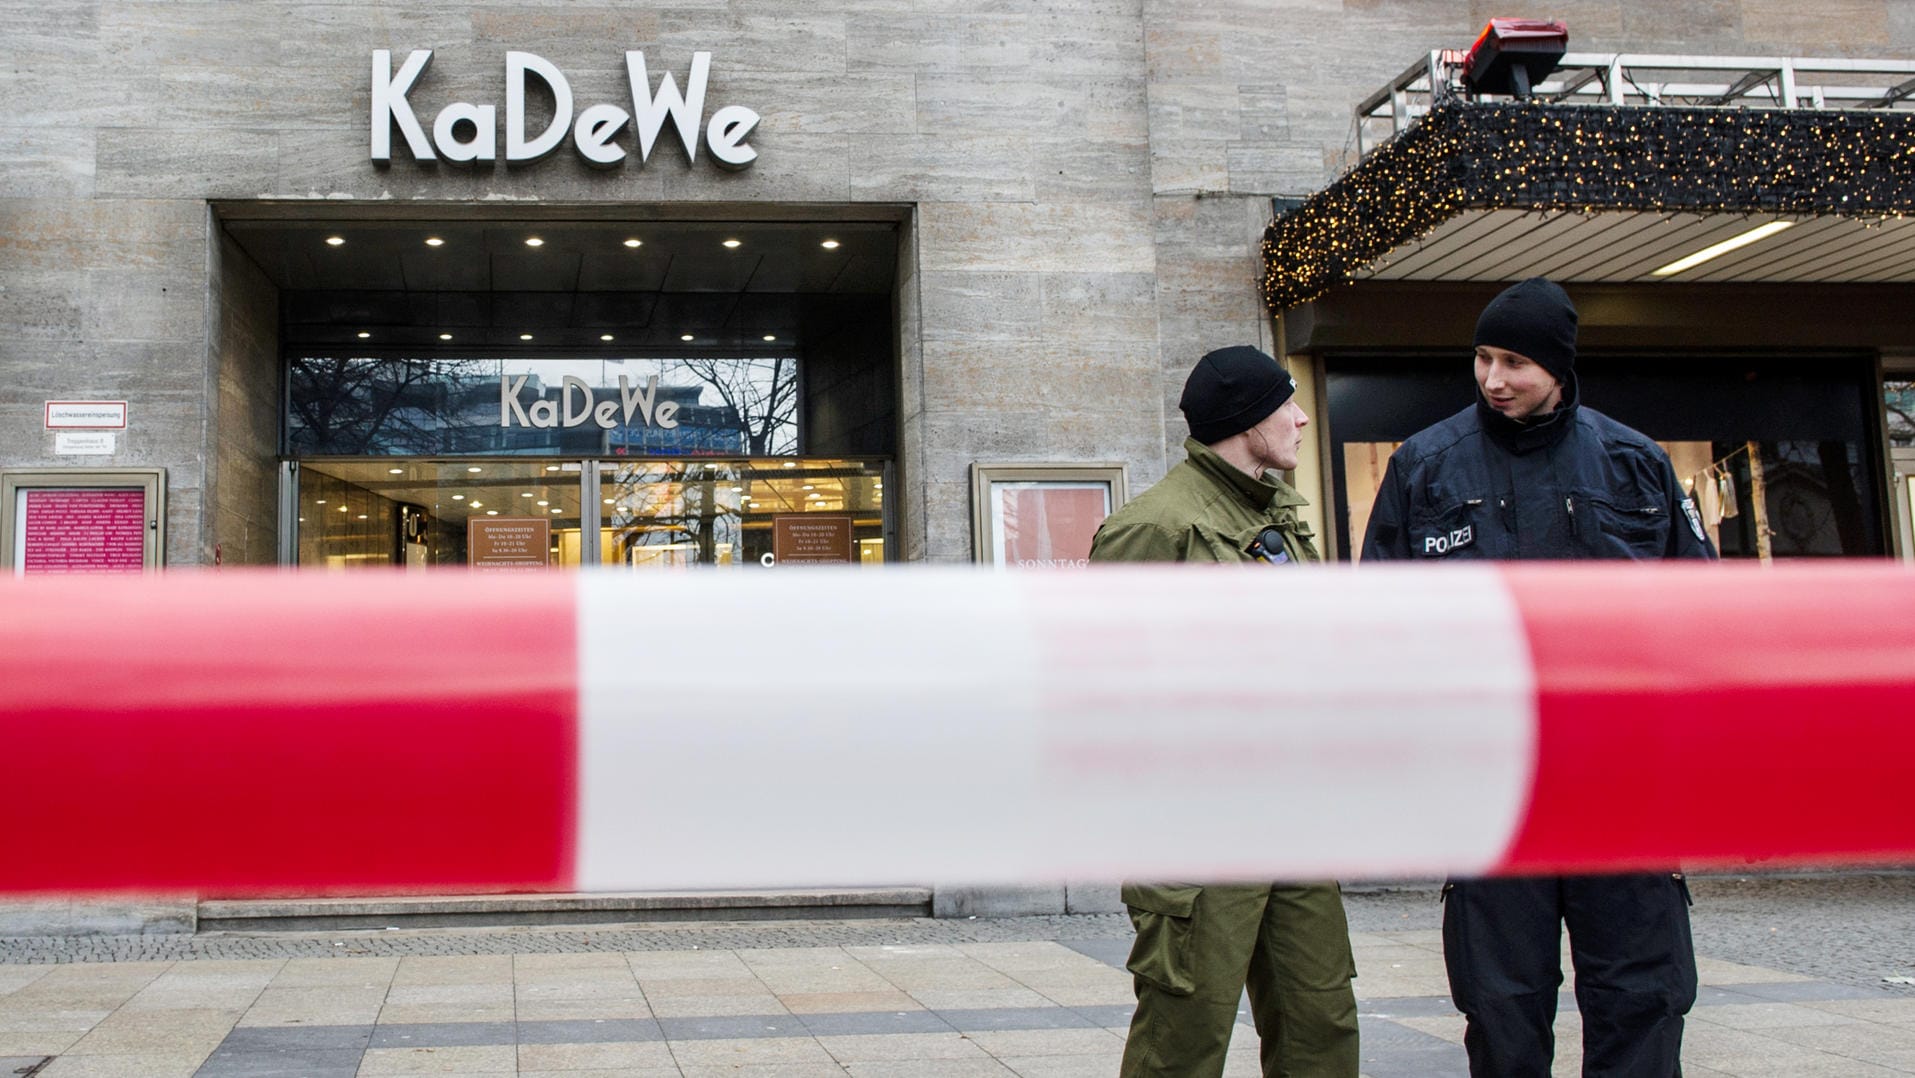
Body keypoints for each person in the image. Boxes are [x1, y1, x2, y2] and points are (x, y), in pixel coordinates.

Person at [1361, 277, 1713, 1077]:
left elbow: (1702, 613)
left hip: (1622, 782)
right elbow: (1379, 623)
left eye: (1513, 361)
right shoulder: (1426, 466)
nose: (1492, 379)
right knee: (1501, 1004)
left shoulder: (1633, 462)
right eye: (1482, 358)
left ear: (1557, 364)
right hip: (1492, 787)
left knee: (1641, 997)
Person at [1091, 345, 1359, 1078]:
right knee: (1185, 1034)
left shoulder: (1283, 517)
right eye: (1288, 404)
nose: (1303, 418)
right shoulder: (1154, 527)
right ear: (1247, 421)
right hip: (1197, 821)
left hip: (1296, 813)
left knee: (1321, 1020)